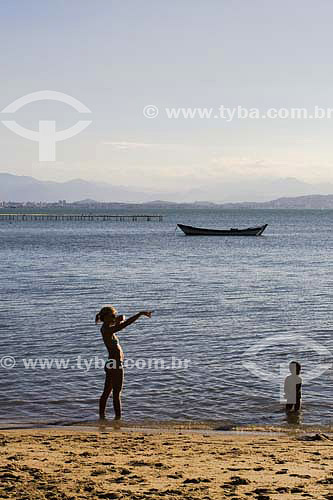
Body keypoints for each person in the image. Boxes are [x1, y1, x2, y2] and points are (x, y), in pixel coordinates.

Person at [95, 305, 153, 420]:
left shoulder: (106, 328)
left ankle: (102, 418)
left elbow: (118, 326)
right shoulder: (106, 329)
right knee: (116, 394)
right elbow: (124, 325)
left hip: (112, 363)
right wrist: (139, 314)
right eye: (112, 316)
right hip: (115, 364)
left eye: (114, 315)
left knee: (107, 392)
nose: (114, 317)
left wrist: (118, 320)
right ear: (105, 317)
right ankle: (117, 420)